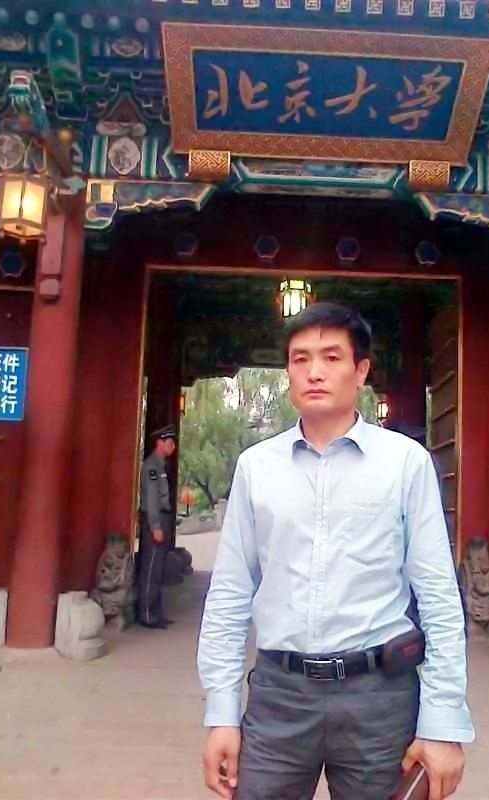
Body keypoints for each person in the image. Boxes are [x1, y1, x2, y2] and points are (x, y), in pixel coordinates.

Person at [197, 303, 474, 800]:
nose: (315, 372)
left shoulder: (404, 463)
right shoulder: (257, 467)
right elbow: (231, 592)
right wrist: (221, 713)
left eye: (331, 357)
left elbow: (437, 594)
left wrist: (443, 721)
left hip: (379, 698)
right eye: (300, 359)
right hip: (280, 697)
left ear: (361, 370)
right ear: (288, 371)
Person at [137, 424, 177, 630]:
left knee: (158, 568)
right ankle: (146, 613)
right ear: (159, 443)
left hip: (163, 518)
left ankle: (156, 611)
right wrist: (155, 526)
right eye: (169, 442)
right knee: (151, 567)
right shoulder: (151, 467)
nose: (173, 446)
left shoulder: (160, 465)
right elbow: (152, 500)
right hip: (156, 519)